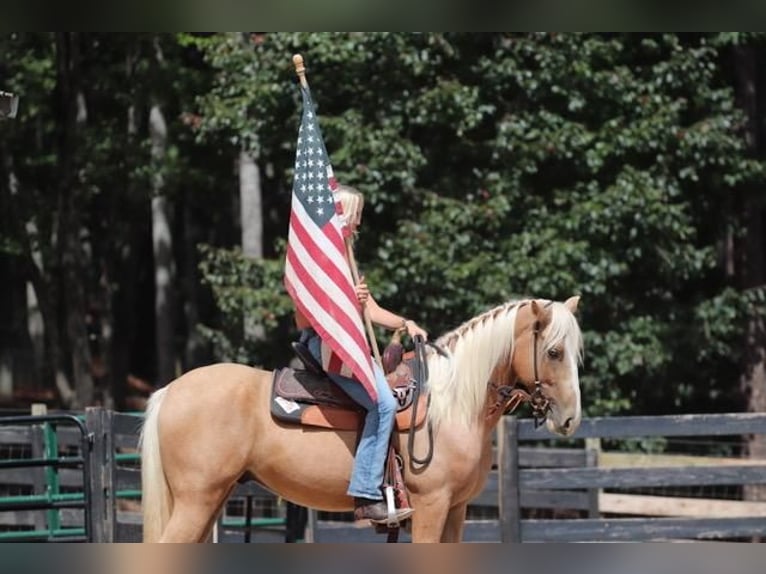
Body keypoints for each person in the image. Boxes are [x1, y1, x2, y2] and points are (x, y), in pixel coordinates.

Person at [294, 184, 428, 524]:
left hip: (349, 342)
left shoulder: (346, 259)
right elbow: (303, 315)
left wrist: (406, 322)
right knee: (383, 403)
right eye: (352, 218)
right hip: (326, 344)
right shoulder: (322, 260)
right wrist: (347, 302)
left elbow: (372, 311)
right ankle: (367, 494)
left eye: (356, 219)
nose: (356, 226)